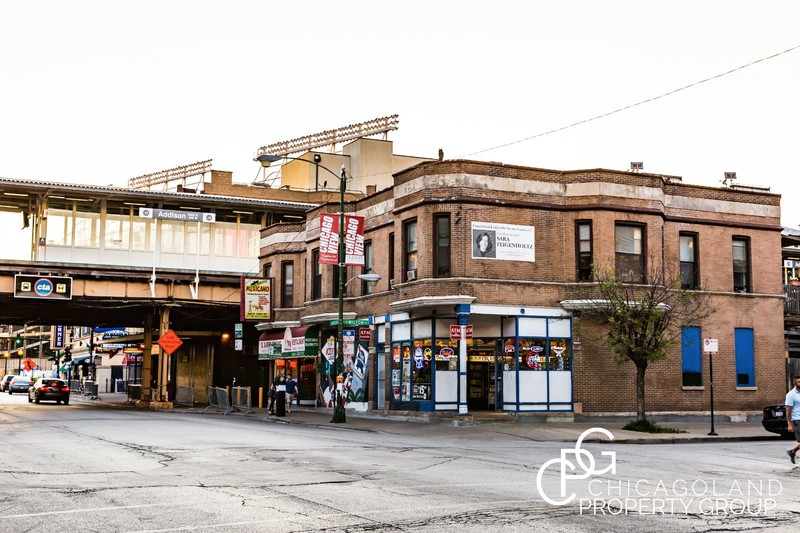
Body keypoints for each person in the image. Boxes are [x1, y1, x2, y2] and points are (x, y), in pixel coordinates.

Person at [786, 375, 800, 464]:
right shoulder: (791, 394)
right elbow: (788, 410)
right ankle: (792, 452)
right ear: (795, 383)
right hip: (797, 419)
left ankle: (792, 451)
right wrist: (789, 423)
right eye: (799, 381)